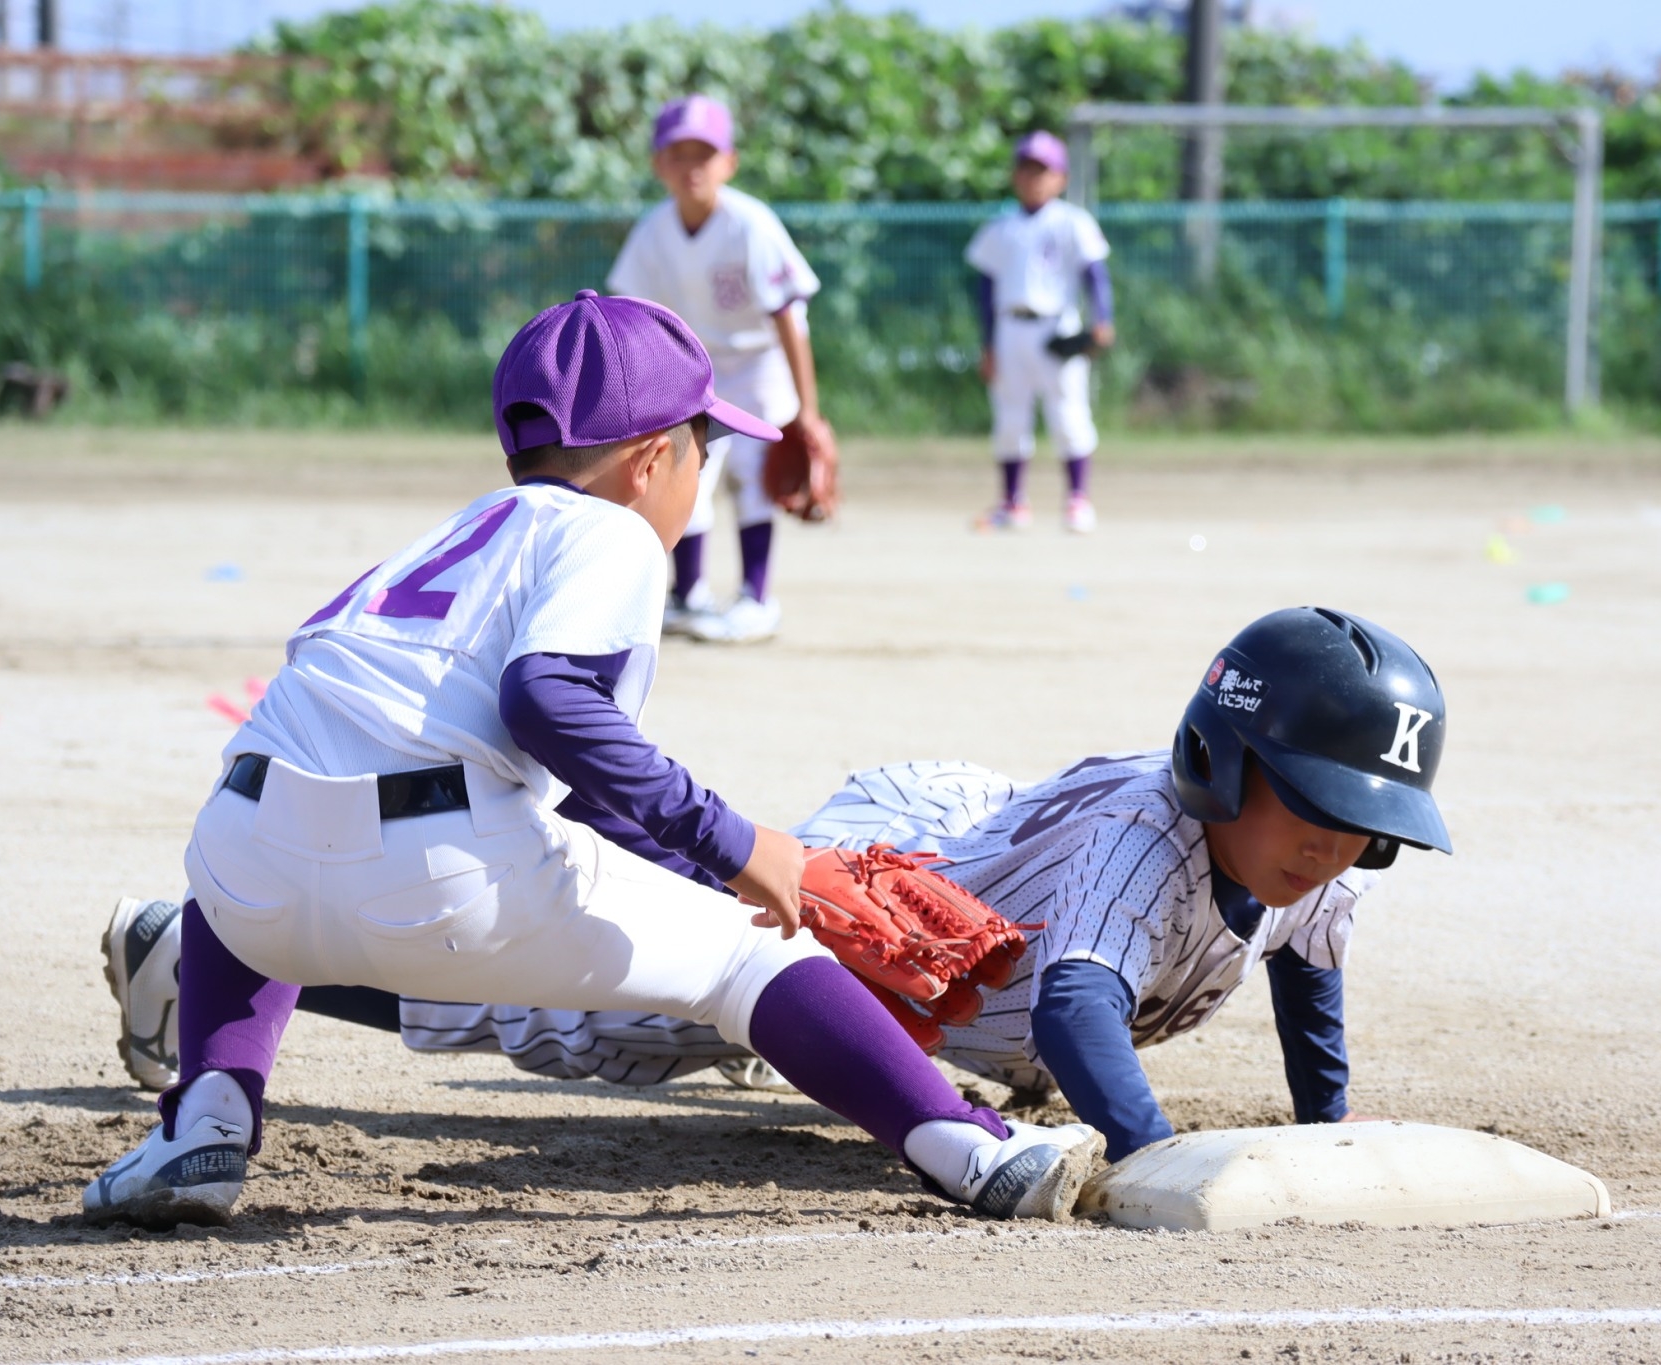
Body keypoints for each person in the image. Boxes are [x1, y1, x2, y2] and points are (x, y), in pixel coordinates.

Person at [81, 291, 1102, 1231]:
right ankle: (969, 1149)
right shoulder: (610, 538)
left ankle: (206, 1120)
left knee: (256, 856)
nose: (707, 469)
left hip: (236, 860)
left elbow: (531, 769)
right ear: (649, 459)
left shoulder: (458, 533)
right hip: (438, 873)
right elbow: (548, 702)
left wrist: (715, 869)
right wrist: (739, 847)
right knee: (755, 960)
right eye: (704, 444)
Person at [105, 608, 1449, 1164]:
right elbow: (1074, 1010)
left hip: (986, 848)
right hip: (906, 879)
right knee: (599, 1005)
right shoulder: (1150, 835)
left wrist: (1325, 1127)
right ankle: (208, 948)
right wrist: (1150, 1157)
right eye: (1315, 805)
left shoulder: (1307, 869)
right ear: (1219, 765)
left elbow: (1311, 981)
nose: (1334, 841)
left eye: (1361, 822)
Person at [606, 95, 834, 644]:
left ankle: (756, 597)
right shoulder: (654, 230)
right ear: (658, 164)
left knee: (756, 476)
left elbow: (789, 317)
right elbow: (634, 318)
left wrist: (809, 412)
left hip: (759, 366)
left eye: (704, 153)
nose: (692, 166)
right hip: (694, 371)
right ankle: (689, 596)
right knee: (690, 477)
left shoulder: (749, 224)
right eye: (678, 153)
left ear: (729, 162)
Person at [964, 131, 1114, 535]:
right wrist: (987, 343)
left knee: (1068, 414)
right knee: (1010, 418)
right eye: (1026, 169)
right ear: (1015, 176)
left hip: (1057, 328)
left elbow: (1095, 275)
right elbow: (985, 289)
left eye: (1042, 170)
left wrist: (1103, 319)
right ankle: (1013, 503)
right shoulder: (1001, 226)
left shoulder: (1072, 222)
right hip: (1010, 329)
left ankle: (1077, 499)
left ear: (1060, 178)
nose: (1032, 177)